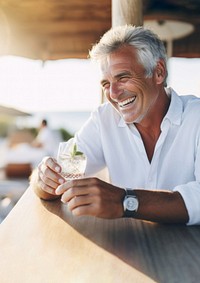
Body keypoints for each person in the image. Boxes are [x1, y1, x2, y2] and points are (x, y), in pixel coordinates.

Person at [31, 25, 200, 226]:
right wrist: (43, 179)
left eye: (123, 77)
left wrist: (125, 201)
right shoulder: (104, 120)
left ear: (158, 72)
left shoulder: (195, 117)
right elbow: (62, 169)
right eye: (106, 84)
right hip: (127, 249)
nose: (113, 94)